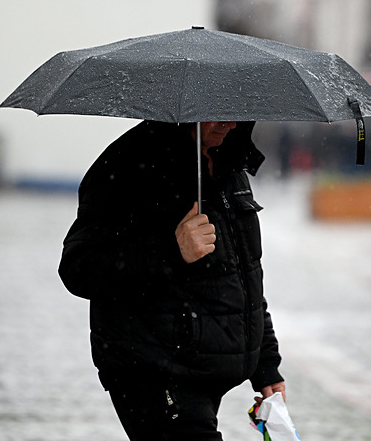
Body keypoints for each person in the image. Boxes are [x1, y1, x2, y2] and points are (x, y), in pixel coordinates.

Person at [59, 120, 286, 440]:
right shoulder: (130, 164)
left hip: (203, 373)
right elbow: (79, 268)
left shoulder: (227, 162)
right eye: (220, 109)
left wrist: (265, 364)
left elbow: (245, 275)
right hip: (153, 372)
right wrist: (171, 251)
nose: (231, 122)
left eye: (237, 110)